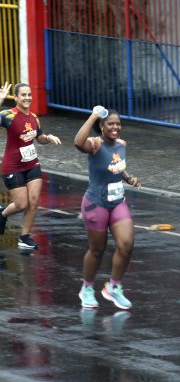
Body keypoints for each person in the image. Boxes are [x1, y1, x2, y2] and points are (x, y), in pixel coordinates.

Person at [74, 107, 141, 310]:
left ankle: (114, 287)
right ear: (102, 127)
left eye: (118, 124)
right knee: (97, 249)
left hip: (117, 202)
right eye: (110, 124)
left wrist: (128, 178)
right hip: (96, 203)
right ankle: (86, 288)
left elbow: (116, 164)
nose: (115, 127)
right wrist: (94, 115)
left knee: (127, 244)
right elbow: (78, 142)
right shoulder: (95, 144)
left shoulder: (121, 145)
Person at [0, 82, 62, 252]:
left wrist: (48, 137)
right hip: (12, 166)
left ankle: (24, 237)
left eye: (29, 95)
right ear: (17, 97)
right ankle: (3, 214)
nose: (27, 98)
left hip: (32, 163)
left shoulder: (34, 117)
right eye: (23, 95)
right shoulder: (8, 115)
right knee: (21, 204)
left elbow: (39, 137)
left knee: (33, 202)